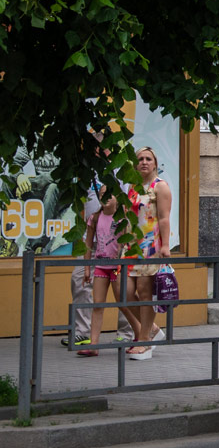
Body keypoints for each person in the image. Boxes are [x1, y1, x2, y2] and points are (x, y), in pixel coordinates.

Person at [63, 131, 134, 348]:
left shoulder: (121, 171)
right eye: (94, 147)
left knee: (123, 288)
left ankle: (127, 332)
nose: (98, 151)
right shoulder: (87, 173)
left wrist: (125, 241)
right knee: (80, 279)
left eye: (102, 147)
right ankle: (82, 333)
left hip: (117, 240)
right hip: (93, 238)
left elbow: (127, 204)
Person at [78, 185, 142, 356]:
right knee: (98, 304)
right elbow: (88, 244)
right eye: (101, 195)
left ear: (117, 197)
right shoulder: (95, 218)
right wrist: (86, 268)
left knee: (122, 303)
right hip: (100, 266)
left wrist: (124, 265)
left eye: (109, 194)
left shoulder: (122, 219)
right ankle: (93, 345)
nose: (105, 198)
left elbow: (128, 243)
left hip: (117, 267)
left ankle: (139, 335)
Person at [125, 146, 172, 360]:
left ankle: (144, 341)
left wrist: (165, 246)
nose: (144, 162)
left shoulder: (160, 187)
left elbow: (164, 217)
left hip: (151, 246)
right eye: (140, 159)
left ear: (155, 163)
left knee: (145, 292)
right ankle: (151, 328)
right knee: (124, 294)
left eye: (148, 159)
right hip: (131, 246)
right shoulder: (133, 187)